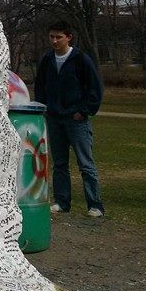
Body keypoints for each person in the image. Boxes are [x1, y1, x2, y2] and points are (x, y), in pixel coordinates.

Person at [34, 20, 105, 217]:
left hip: (76, 120)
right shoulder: (47, 60)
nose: (55, 41)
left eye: (59, 37)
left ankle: (95, 205)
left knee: (86, 163)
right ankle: (62, 202)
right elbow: (40, 88)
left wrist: (84, 111)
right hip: (55, 119)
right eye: (51, 37)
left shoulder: (81, 59)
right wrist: (42, 108)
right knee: (59, 163)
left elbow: (95, 89)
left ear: (68, 37)